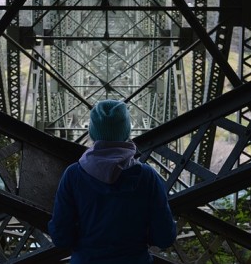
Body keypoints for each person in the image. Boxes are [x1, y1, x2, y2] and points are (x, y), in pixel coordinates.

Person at [48, 99, 177, 264]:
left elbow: (61, 238)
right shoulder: (147, 176)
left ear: (92, 133)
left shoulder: (73, 175)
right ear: (126, 132)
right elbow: (165, 237)